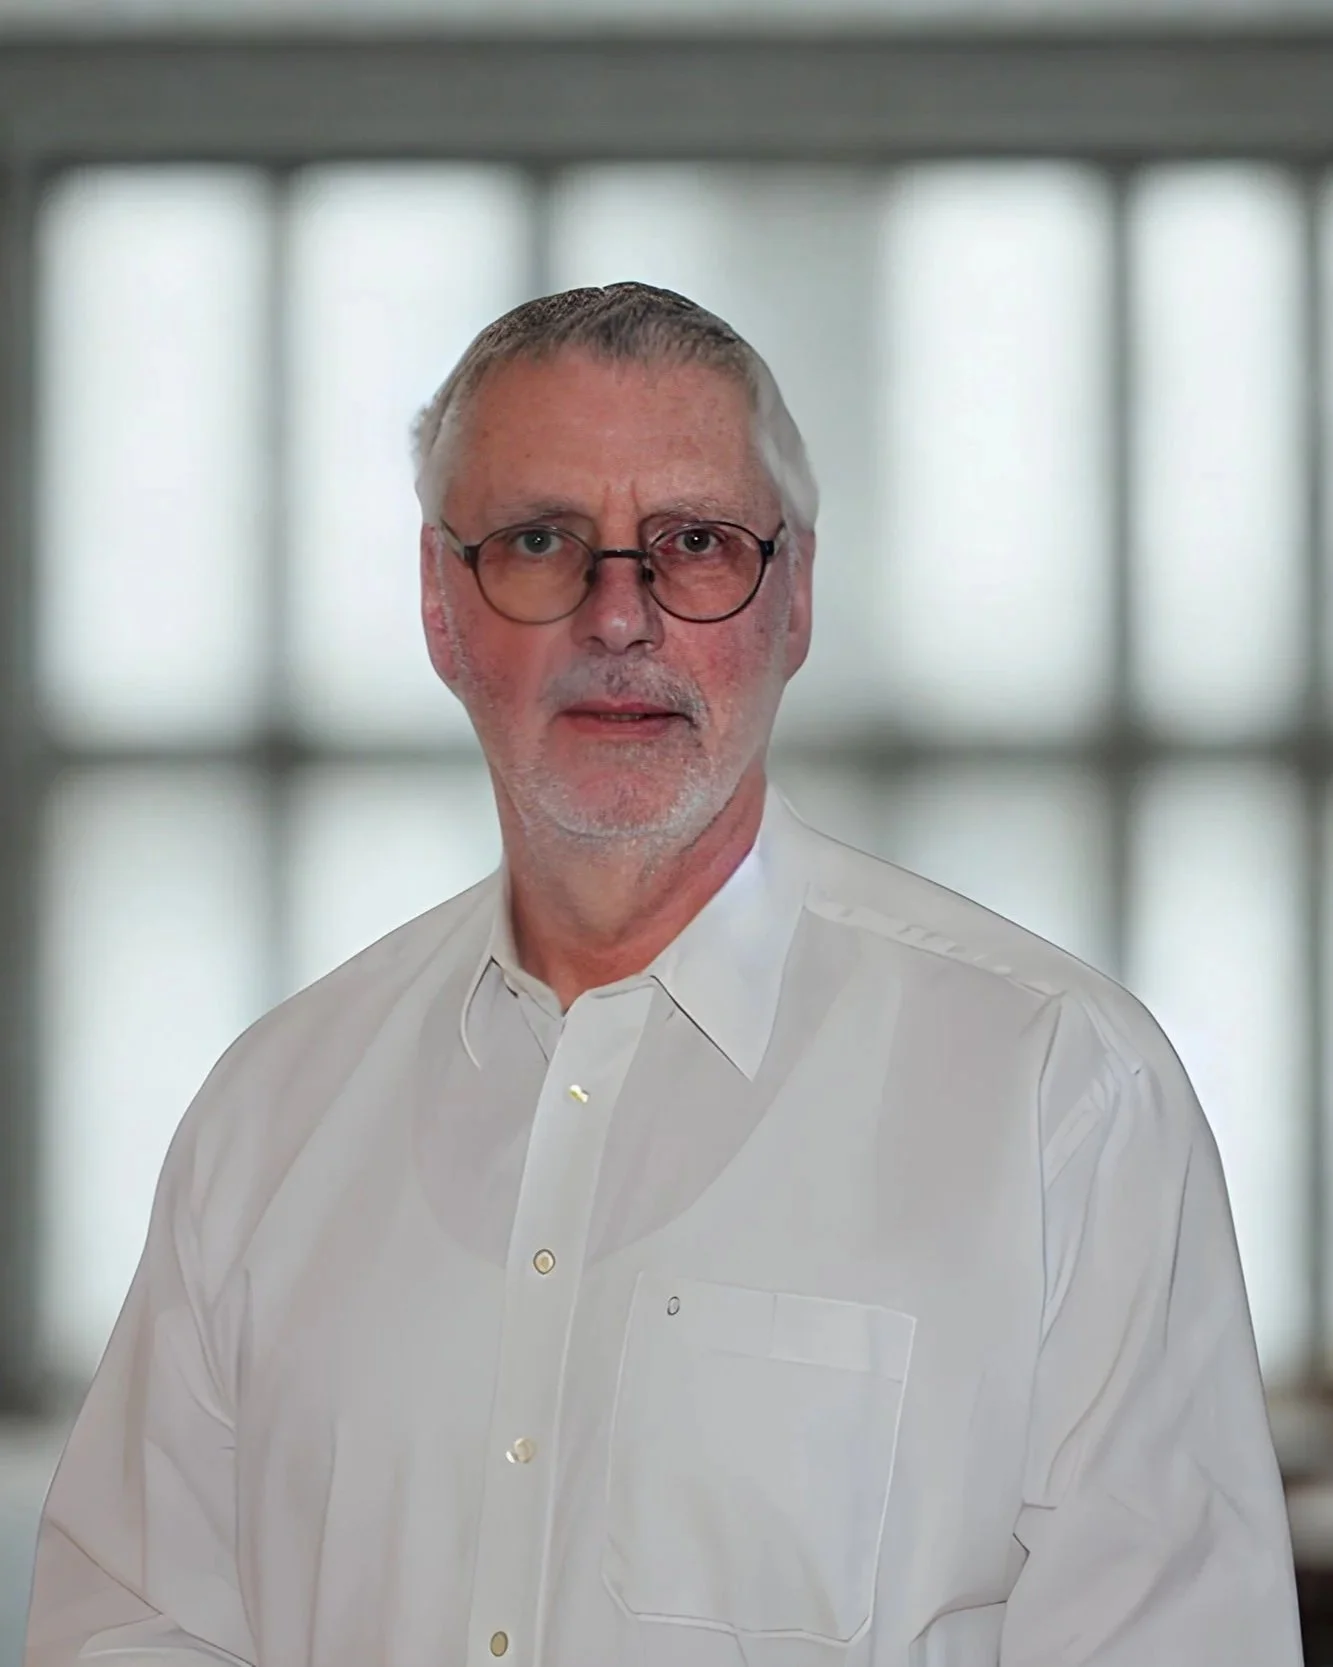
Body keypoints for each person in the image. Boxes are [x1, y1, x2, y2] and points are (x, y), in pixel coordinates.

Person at [25, 281, 1301, 1667]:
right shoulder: (268, 1116)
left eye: (693, 543)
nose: (617, 616)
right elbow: (129, 1633)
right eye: (538, 540)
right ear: (441, 607)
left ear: (797, 595)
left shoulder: (1064, 1097)